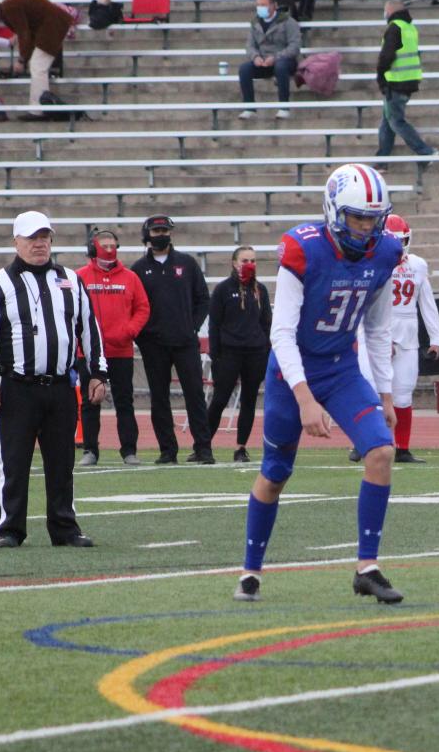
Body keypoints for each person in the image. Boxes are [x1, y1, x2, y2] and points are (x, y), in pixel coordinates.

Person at [234, 163, 406, 605]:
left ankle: (366, 567)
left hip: (342, 368)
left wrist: (385, 392)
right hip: (291, 371)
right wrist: (305, 398)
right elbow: (281, 334)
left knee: (382, 450)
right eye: (356, 217)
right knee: (275, 474)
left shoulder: (386, 252)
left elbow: (378, 328)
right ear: (333, 211)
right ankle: (251, 570)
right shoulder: (302, 249)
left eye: (373, 217)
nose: (366, 226)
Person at [0, 211, 106, 547]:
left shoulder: (69, 279)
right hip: (17, 387)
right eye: (33, 238)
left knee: (62, 463)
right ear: (16, 241)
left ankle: (64, 528)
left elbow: (89, 330)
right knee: (15, 462)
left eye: (45, 237)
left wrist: (97, 374)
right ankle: (9, 529)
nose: (40, 244)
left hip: (61, 385)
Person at [131, 214, 213, 465]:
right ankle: (167, 450)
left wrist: (192, 327)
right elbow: (134, 305)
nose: (161, 235)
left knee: (195, 395)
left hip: (185, 341)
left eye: (164, 230)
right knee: (159, 397)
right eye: (156, 231)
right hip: (153, 344)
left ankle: (203, 448)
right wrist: (143, 335)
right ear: (147, 235)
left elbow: (203, 300)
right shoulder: (138, 269)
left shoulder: (187, 264)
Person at [363, 214, 439, 463]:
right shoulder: (371, 260)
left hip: (407, 331)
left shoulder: (417, 265)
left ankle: (403, 447)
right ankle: (365, 443)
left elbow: (426, 301)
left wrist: (436, 337)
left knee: (404, 393)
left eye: (402, 240)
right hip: (377, 329)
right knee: (373, 391)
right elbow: (366, 303)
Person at [74, 228, 149, 467]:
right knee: (89, 401)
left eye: (112, 245)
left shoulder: (130, 277)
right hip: (89, 352)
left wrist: (129, 331)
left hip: (121, 351)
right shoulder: (79, 277)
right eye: (103, 245)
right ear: (92, 248)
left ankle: (129, 450)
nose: (109, 249)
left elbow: (143, 308)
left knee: (124, 401)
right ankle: (90, 450)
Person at [207, 246, 271, 464]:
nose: (249, 264)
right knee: (220, 399)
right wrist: (215, 356)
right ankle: (203, 445)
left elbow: (267, 324)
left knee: (249, 401)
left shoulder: (260, 290)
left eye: (252, 260)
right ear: (234, 263)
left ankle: (241, 447)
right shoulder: (223, 289)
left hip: (255, 353)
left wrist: (266, 352)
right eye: (244, 260)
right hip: (229, 352)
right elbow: (214, 325)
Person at [376, 0, 435, 157]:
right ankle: (382, 159)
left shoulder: (395, 27)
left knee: (396, 121)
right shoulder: (410, 28)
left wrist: (380, 77)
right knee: (387, 123)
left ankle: (425, 151)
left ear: (389, 11)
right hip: (409, 81)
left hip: (395, 82)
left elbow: (386, 55)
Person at [0, 0, 72, 113]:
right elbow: (29, 34)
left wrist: (21, 60)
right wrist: (24, 58)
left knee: (38, 67)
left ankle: (39, 109)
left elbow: (24, 33)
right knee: (37, 66)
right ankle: (39, 107)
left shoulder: (9, 7)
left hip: (53, 25)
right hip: (52, 24)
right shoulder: (12, 5)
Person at [236, 0, 299, 121]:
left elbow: (294, 46)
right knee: (244, 69)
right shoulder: (255, 23)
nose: (261, 8)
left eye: (264, 5)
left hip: (284, 61)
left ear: (274, 5)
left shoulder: (288, 21)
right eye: (258, 5)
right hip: (263, 62)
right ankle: (249, 108)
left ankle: (284, 107)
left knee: (281, 67)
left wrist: (276, 57)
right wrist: (256, 57)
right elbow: (250, 46)